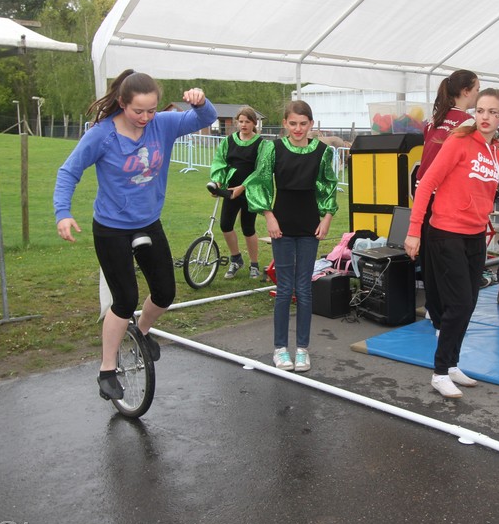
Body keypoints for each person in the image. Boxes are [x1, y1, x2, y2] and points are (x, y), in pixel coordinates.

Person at [53, 70, 217, 401]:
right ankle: (107, 369)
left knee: (165, 292)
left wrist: (201, 101)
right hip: (111, 227)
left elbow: (206, 118)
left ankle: (140, 333)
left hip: (148, 222)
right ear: (122, 103)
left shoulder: (163, 125)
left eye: (151, 110)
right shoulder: (102, 135)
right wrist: (63, 212)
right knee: (125, 299)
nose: (145, 118)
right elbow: (69, 171)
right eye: (138, 111)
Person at [405, 88, 499, 399]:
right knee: (459, 303)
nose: (485, 117)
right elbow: (426, 183)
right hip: (445, 231)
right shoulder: (459, 142)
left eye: (492, 112)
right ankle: (439, 372)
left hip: (475, 236)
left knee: (469, 303)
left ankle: (451, 364)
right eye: (480, 110)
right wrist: (414, 230)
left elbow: (485, 195)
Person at [244, 100, 339, 372]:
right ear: (285, 123)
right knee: (285, 289)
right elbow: (259, 182)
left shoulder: (322, 151)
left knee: (304, 288)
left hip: (310, 226)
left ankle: (303, 349)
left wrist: (327, 218)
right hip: (281, 225)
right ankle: (280, 348)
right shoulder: (272, 149)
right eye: (293, 123)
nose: (298, 129)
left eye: (303, 124)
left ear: (311, 124)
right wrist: (269, 216)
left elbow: (328, 186)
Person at [416, 70, 480, 328]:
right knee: (447, 259)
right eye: (477, 89)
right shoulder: (467, 122)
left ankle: (434, 310)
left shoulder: (434, 119)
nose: (478, 95)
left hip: (423, 192)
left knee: (430, 258)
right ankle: (444, 317)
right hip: (441, 195)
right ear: (465, 91)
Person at [209, 106, 264, 279]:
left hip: (249, 191)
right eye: (241, 121)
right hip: (231, 191)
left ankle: (254, 264)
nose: (244, 125)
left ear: (254, 123)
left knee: (248, 228)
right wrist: (218, 182)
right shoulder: (229, 141)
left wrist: (243, 187)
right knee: (225, 225)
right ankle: (236, 259)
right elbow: (220, 162)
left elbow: (261, 170)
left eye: (247, 121)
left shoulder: (261, 144)